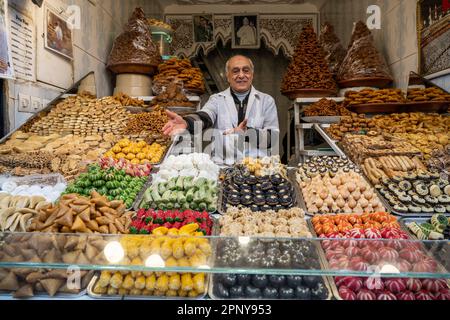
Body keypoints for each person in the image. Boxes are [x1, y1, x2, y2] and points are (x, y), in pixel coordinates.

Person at [162, 55, 279, 164]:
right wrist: (187, 122)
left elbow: (272, 138)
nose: (241, 75)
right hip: (223, 164)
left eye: (246, 70)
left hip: (257, 166)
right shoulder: (216, 99)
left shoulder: (266, 101)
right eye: (235, 71)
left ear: (252, 75)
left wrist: (246, 132)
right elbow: (205, 116)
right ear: (227, 76)